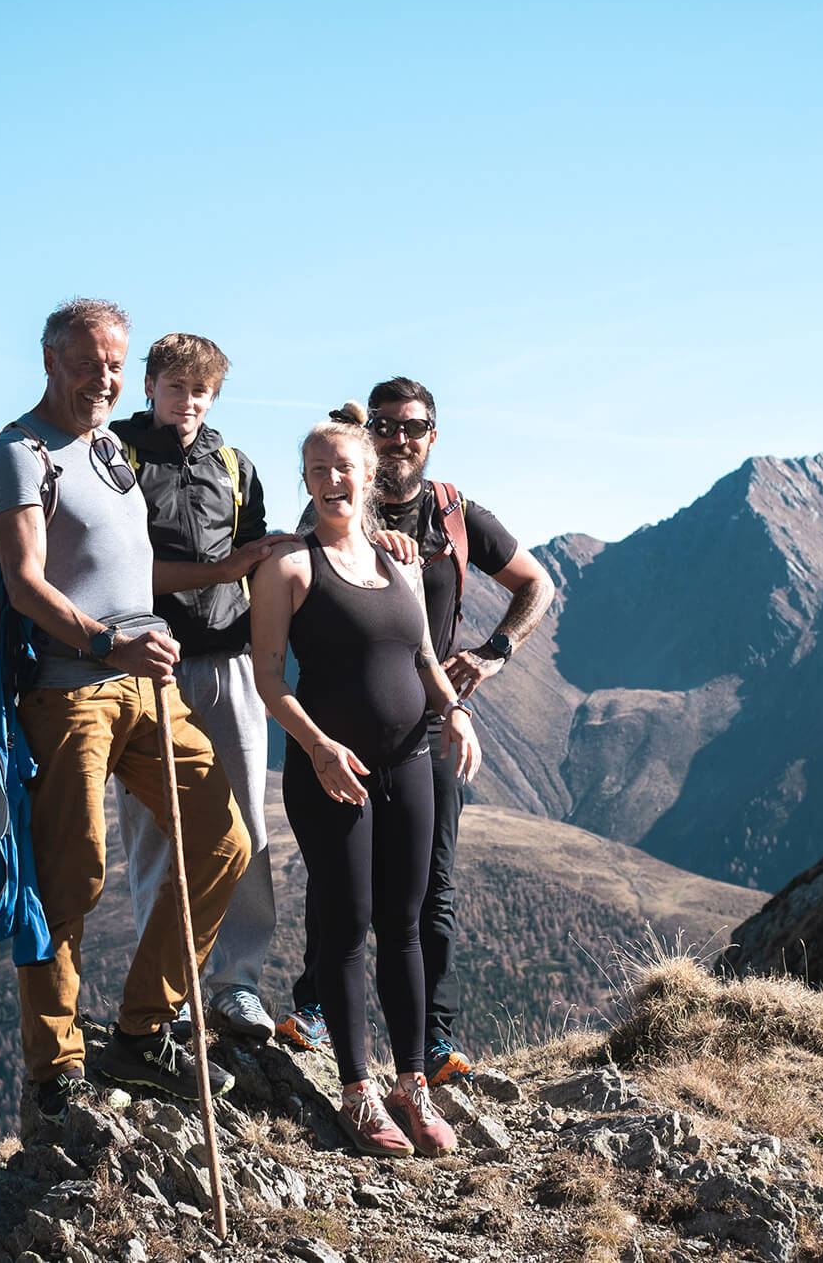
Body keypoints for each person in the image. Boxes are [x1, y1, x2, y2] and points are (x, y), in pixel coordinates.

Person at [0, 297, 251, 1127]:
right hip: (71, 690)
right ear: (51, 361)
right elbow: (27, 584)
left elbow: (132, 569)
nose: (104, 377)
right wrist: (109, 645)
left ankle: (142, 1030)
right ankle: (56, 1068)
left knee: (225, 841)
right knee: (72, 878)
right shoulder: (20, 454)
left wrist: (215, 581)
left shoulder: (108, 450)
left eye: (115, 363)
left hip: (148, 682)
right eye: (89, 360)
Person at [277, 377, 553, 1087]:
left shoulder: (456, 517)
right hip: (341, 721)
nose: (401, 437)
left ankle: (431, 1040)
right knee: (341, 879)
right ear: (367, 438)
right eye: (386, 426)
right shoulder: (337, 510)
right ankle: (316, 1009)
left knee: (428, 886)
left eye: (415, 426)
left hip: (427, 721)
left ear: (434, 435)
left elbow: (537, 584)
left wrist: (494, 655)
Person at [250, 410, 480, 1156]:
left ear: (369, 475)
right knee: (345, 929)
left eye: (341, 467)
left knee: (405, 926)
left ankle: (412, 1085)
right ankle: (358, 1095)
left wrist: (456, 713)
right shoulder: (288, 567)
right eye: (315, 470)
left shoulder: (400, 564)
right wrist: (316, 748)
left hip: (411, 762)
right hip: (332, 772)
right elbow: (266, 679)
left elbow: (422, 658)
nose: (329, 481)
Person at [111, 332, 299, 1039]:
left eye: (202, 390)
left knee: (245, 823)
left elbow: (255, 559)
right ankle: (173, 991)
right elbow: (116, 567)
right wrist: (219, 574)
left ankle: (236, 982)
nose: (188, 402)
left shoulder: (233, 463)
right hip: (149, 666)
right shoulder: (117, 459)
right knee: (158, 828)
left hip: (229, 664)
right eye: (175, 387)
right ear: (150, 386)